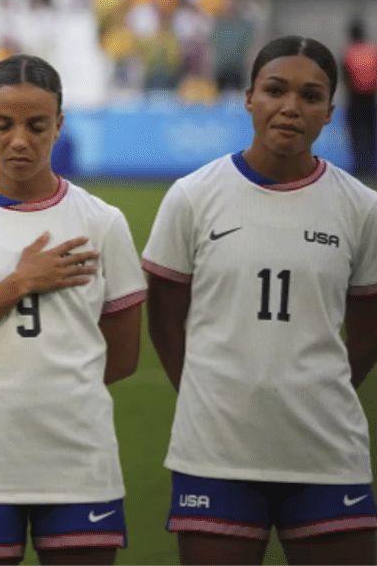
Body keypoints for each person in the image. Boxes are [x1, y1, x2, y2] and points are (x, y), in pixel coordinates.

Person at [143, 35, 377, 566]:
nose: (290, 107)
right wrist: (210, 397)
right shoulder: (193, 197)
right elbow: (164, 322)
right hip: (215, 453)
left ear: (329, 113)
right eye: (275, 90)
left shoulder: (362, 209)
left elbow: (367, 329)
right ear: (249, 97)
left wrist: (320, 391)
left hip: (326, 453)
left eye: (310, 96)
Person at [0, 54, 145, 565]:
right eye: (4, 125)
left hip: (79, 462)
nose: (19, 140)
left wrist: (53, 393)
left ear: (59, 124)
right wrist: (17, 283)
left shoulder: (102, 222)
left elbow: (123, 358)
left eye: (37, 126)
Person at [344, 19, 377, 178]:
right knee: (371, 133)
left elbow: (345, 77)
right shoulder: (372, 51)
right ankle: (372, 166)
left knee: (356, 134)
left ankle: (359, 168)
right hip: (371, 98)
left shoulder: (349, 52)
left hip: (354, 98)